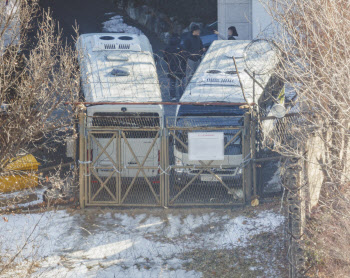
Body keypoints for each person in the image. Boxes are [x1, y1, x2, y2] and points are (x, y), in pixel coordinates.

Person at [163, 33, 187, 101]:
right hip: (180, 68)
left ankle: (173, 97)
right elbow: (185, 57)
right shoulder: (181, 47)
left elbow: (165, 57)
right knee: (181, 84)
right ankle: (181, 97)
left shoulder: (167, 47)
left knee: (172, 83)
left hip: (171, 68)